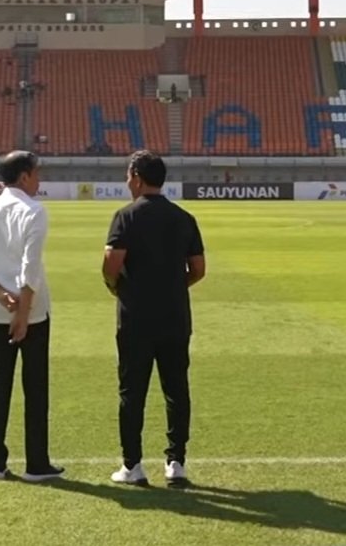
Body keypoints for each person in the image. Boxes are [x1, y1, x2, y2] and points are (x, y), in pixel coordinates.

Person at [102, 150, 204, 488]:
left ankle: (132, 465)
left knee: (132, 391)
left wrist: (116, 288)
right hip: (175, 315)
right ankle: (176, 462)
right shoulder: (184, 217)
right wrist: (174, 286)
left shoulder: (125, 217)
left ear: (136, 176)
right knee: (177, 389)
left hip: (136, 318)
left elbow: (112, 264)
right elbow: (199, 269)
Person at [0, 150, 62, 482]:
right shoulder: (34, 211)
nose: (39, 179)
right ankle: (36, 464)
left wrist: (1, 295)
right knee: (35, 388)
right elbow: (29, 268)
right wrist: (21, 311)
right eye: (36, 173)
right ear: (23, 176)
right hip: (31, 315)